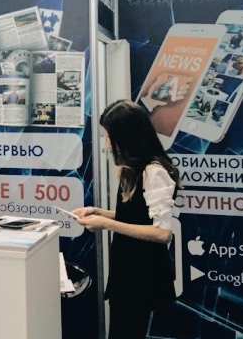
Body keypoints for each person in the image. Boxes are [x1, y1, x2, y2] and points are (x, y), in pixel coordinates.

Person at [72, 100, 181, 339]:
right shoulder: (132, 169)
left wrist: (106, 224)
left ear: (127, 137)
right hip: (126, 269)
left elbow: (162, 233)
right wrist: (99, 213)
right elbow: (135, 216)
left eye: (109, 137)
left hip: (142, 275)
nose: (107, 144)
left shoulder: (154, 172)